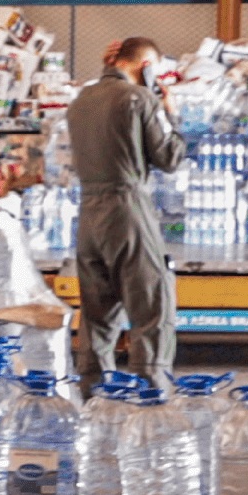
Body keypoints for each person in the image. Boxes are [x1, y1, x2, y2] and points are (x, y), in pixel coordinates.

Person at [66, 38, 185, 379]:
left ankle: (95, 398)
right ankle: (152, 399)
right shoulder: (139, 98)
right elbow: (170, 157)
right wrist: (170, 113)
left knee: (96, 314)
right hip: (127, 210)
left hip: (88, 215)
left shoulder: (81, 101)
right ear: (146, 67)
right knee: (153, 304)